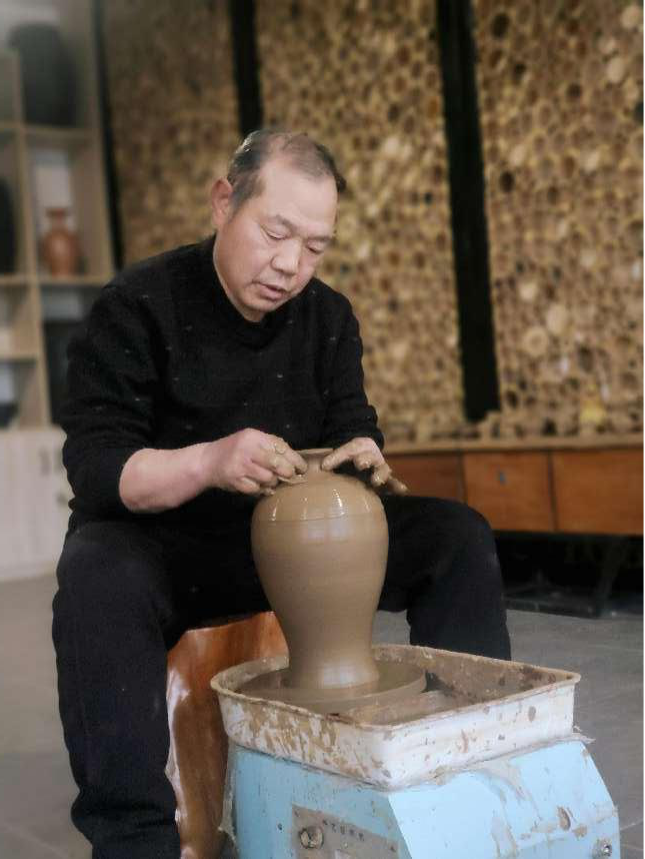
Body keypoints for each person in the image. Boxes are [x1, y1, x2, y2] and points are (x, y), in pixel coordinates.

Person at [53, 128, 511, 858]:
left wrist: (364, 455)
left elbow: (352, 424)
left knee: (456, 537)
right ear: (223, 202)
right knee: (94, 574)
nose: (292, 264)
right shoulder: (136, 305)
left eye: (316, 246)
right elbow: (98, 469)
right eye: (276, 233)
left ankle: (468, 772)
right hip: (170, 548)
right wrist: (209, 460)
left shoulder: (328, 317)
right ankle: (133, 838)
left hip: (287, 547)